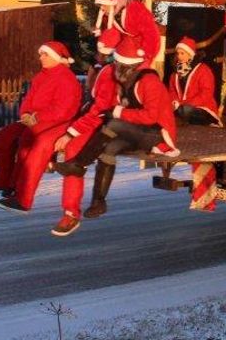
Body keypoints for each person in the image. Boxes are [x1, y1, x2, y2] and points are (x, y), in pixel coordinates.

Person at [52, 35, 179, 225]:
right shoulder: (128, 80)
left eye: (117, 62)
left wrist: (119, 112)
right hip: (139, 131)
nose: (114, 66)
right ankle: (98, 202)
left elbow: (151, 117)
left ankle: (78, 165)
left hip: (157, 134)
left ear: (128, 65)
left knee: (114, 124)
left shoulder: (148, 82)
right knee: (108, 149)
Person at [44, 29, 123, 236]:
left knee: (75, 149)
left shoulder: (112, 72)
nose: (97, 55)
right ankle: (45, 163)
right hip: (93, 115)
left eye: (100, 50)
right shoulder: (102, 69)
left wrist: (71, 132)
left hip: (104, 121)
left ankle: (71, 212)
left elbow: (100, 109)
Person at [0, 41, 81, 210]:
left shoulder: (67, 79)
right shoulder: (41, 76)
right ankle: (4, 181)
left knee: (30, 147)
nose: (41, 57)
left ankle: (21, 195)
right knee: (5, 136)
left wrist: (37, 117)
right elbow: (28, 99)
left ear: (56, 58)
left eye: (45, 54)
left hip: (55, 122)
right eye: (41, 54)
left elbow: (64, 110)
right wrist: (24, 113)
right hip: (33, 120)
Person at [93, 0, 161, 68]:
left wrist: (147, 56)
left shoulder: (135, 9)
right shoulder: (108, 16)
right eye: (100, 5)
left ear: (112, 2)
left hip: (142, 52)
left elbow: (151, 33)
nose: (102, 8)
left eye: (104, 4)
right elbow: (112, 36)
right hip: (124, 54)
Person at [168, 36, 220, 126]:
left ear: (190, 54)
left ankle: (179, 119)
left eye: (182, 53)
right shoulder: (175, 73)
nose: (179, 56)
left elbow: (206, 94)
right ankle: (180, 118)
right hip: (181, 106)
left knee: (186, 110)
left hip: (201, 107)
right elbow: (172, 91)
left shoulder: (203, 70)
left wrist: (184, 103)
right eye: (178, 53)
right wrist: (174, 102)